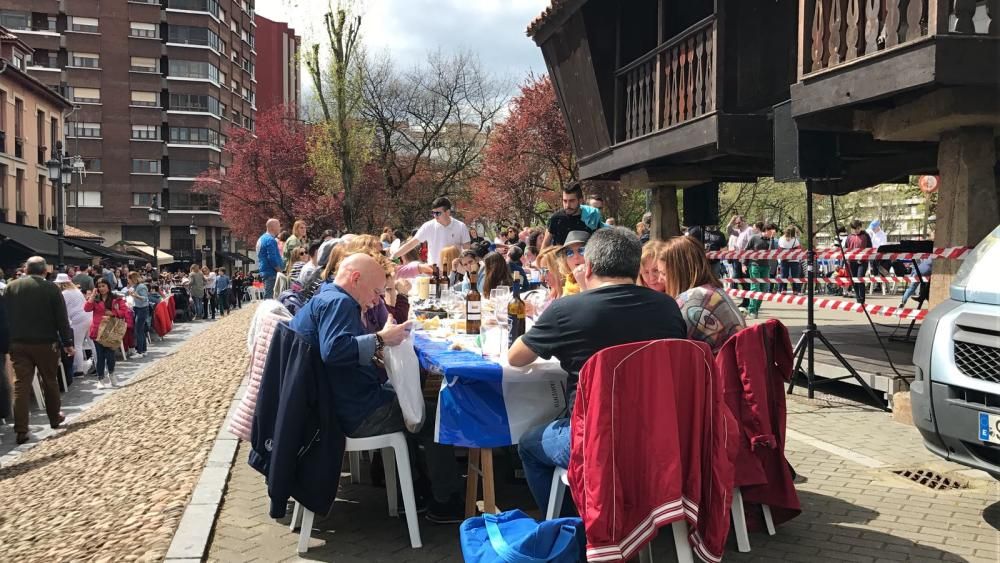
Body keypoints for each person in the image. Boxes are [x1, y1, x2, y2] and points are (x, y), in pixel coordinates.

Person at [508, 228, 688, 513]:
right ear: (635, 267)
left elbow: (516, 358)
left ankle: (572, 527)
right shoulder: (668, 307)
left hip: (596, 441)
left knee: (529, 444)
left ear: (588, 267)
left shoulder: (567, 310)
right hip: (663, 436)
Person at [289, 253, 464, 522]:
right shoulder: (340, 303)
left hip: (335, 405)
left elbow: (339, 356)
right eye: (375, 292)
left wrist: (376, 350)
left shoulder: (325, 296)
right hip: (354, 413)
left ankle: (419, 490)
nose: (376, 301)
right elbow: (334, 351)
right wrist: (381, 339)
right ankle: (445, 502)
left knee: (414, 406)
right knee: (436, 417)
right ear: (356, 278)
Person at [6, 257, 74, 444]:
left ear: (26, 270)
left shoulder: (11, 287)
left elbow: (5, 315)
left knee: (21, 385)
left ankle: (21, 428)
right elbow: (61, 317)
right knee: (50, 381)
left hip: (18, 343)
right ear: (45, 272)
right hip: (45, 343)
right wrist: (67, 342)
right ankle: (54, 418)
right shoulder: (51, 289)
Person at [658, 236, 745, 353]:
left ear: (678, 272)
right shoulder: (714, 291)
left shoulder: (691, 301)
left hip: (715, 368)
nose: (659, 280)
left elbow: (674, 352)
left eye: (663, 273)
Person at [391, 197, 471, 266]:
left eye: (438, 213)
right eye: (433, 213)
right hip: (434, 271)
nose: (435, 216)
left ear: (448, 212)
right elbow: (411, 244)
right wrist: (393, 256)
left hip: (455, 271)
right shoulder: (428, 226)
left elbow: (466, 249)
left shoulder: (461, 226)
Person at [85, 278, 127, 389]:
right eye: (99, 286)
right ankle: (100, 378)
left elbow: (124, 312)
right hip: (97, 331)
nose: (101, 288)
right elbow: (86, 309)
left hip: (111, 331)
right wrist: (92, 296)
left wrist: (113, 313)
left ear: (108, 286)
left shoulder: (116, 298)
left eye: (103, 286)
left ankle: (111, 373)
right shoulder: (96, 299)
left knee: (110, 355)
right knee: (100, 356)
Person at [56, 273, 92, 377]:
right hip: (88, 316)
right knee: (92, 343)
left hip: (78, 319)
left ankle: (79, 370)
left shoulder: (64, 294)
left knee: (77, 344)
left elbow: (63, 310)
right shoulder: (76, 290)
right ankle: (99, 366)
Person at [542, 182, 593, 247]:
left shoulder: (591, 219)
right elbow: (544, 246)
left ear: (580, 200)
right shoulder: (556, 218)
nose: (567, 205)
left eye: (571, 201)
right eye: (565, 201)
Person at [745, 223, 778, 319]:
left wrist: (771, 239)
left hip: (766, 266)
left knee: (764, 289)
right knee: (755, 288)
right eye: (771, 231)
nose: (773, 233)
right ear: (766, 230)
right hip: (754, 265)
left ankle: (756, 309)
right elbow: (746, 251)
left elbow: (771, 252)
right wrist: (744, 264)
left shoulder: (772, 240)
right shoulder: (754, 238)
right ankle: (752, 310)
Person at [845, 219, 873, 304]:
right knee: (854, 280)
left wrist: (863, 257)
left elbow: (870, 248)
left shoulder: (866, 236)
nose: (856, 231)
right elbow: (846, 249)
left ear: (860, 227)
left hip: (863, 261)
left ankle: (862, 298)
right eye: (854, 229)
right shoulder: (849, 237)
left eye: (858, 228)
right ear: (852, 229)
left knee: (860, 278)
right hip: (852, 261)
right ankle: (858, 298)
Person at [257, 218, 285, 299]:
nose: (280, 228)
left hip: (265, 271)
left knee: (269, 296)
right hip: (271, 273)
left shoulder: (262, 238)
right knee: (270, 298)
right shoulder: (270, 240)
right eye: (279, 226)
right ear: (273, 227)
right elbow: (272, 258)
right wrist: (280, 270)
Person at [127, 272, 150, 358]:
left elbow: (145, 299)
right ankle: (143, 350)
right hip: (137, 308)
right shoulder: (134, 286)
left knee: (139, 330)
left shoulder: (141, 287)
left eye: (128, 279)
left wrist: (136, 296)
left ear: (132, 279)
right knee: (141, 330)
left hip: (142, 309)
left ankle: (140, 351)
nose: (128, 281)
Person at [559, 230, 590, 295]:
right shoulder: (568, 283)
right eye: (570, 252)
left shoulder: (603, 280)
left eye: (582, 250)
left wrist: (584, 287)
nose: (576, 256)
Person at [777, 226, 802, 294]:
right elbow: (798, 249)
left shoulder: (793, 240)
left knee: (789, 275)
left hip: (789, 259)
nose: (789, 238)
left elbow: (799, 250)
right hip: (789, 259)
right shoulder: (792, 240)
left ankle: (787, 290)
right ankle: (790, 290)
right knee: (789, 275)